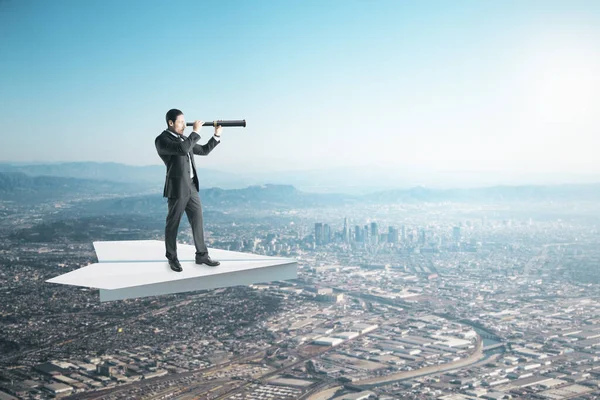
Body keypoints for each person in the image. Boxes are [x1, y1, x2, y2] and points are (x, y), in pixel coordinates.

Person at [155, 109, 221, 272]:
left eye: (185, 122)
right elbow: (182, 149)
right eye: (180, 122)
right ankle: (172, 258)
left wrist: (216, 135)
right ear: (171, 123)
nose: (184, 125)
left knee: (197, 219)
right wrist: (195, 132)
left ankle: (202, 255)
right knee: (173, 224)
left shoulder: (185, 138)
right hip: (177, 188)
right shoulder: (162, 140)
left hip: (191, 186)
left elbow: (204, 150)